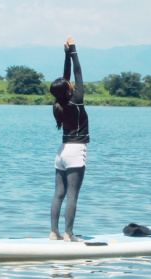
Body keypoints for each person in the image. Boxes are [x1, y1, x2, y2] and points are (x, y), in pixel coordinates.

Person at [48, 36, 89, 242]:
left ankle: (54, 232)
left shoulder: (59, 103)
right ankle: (69, 234)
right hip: (75, 151)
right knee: (72, 194)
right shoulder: (77, 100)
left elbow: (66, 79)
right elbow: (78, 72)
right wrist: (73, 49)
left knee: (59, 194)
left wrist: (65, 55)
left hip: (62, 152)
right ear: (69, 89)